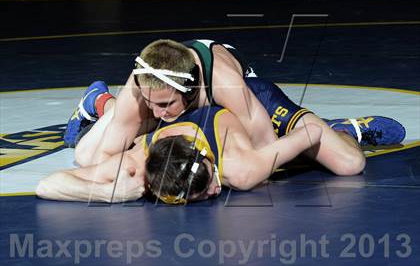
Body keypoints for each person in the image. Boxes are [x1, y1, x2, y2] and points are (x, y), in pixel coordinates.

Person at [37, 78, 405, 203]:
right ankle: (99, 100)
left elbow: (308, 134)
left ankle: (345, 128)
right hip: (168, 119)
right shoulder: (136, 168)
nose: (214, 192)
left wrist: (319, 134)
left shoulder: (240, 168)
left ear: (209, 160)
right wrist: (107, 193)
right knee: (87, 158)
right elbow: (47, 184)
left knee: (348, 163)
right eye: (200, 194)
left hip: (247, 103)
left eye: (209, 182)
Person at [64, 39, 278, 168]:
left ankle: (105, 104)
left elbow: (266, 145)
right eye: (150, 103)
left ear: (190, 89)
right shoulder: (138, 88)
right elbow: (101, 157)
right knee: (84, 155)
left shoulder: (225, 83)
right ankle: (99, 100)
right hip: (174, 83)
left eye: (166, 103)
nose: (157, 113)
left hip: (219, 79)